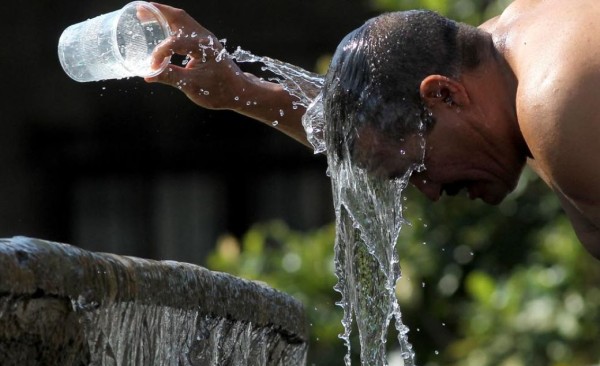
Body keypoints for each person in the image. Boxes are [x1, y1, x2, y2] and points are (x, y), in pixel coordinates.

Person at [145, 1, 600, 260]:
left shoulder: (559, 106)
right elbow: (371, 124)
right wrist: (239, 89)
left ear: (444, 94)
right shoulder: (512, 47)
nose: (431, 192)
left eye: (417, 167)